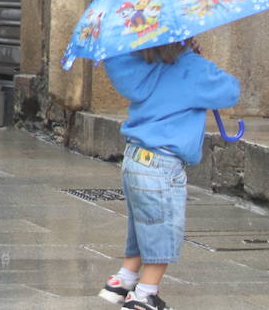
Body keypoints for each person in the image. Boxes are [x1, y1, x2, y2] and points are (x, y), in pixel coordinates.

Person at [97, 39, 239, 310]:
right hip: (162, 166)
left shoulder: (136, 63)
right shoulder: (189, 66)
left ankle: (123, 279)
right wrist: (199, 61)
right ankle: (144, 294)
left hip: (134, 159)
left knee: (143, 225)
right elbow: (230, 91)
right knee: (162, 230)